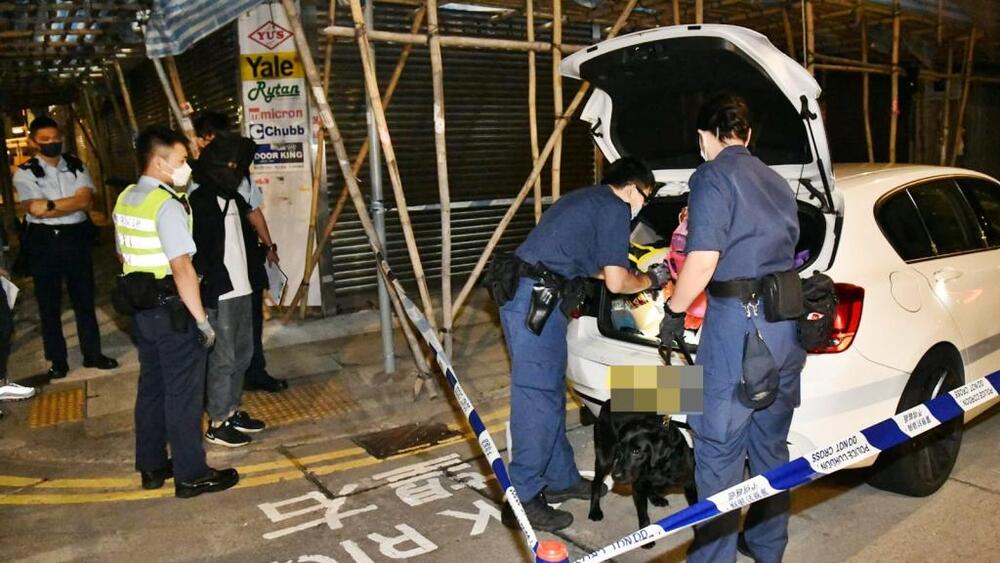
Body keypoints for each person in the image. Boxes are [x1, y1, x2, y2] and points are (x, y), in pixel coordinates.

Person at [658, 94, 805, 563]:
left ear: (705, 136)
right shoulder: (777, 181)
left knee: (718, 451)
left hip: (737, 333)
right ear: (748, 135)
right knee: (769, 447)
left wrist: (674, 312)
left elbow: (702, 262)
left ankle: (713, 559)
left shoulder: (712, 176)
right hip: (784, 327)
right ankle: (766, 548)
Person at [494, 157, 672, 532]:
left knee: (548, 393)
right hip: (535, 303)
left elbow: (590, 266)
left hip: (539, 301)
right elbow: (615, 283)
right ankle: (522, 498)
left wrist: (632, 276)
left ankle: (560, 479)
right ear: (631, 187)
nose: (642, 205)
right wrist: (651, 280)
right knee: (536, 399)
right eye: (645, 196)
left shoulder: (588, 201)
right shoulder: (613, 207)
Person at [113, 126, 238, 498]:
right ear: (159, 162)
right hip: (173, 312)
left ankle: (152, 466)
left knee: (151, 388)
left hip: (143, 310)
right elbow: (182, 267)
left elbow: (122, 255)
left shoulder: (127, 198)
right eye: (181, 161)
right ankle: (191, 474)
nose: (186, 167)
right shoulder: (166, 204)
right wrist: (202, 321)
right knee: (183, 396)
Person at [12, 116, 118, 379]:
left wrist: (50, 205)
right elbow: (33, 208)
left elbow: (85, 201)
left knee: (84, 299)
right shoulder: (25, 172)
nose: (52, 144)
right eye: (45, 140)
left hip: (75, 238)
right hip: (43, 241)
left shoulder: (76, 165)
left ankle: (93, 354)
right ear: (33, 141)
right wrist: (66, 203)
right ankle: (57, 360)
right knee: (49, 304)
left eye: (55, 139)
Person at [193, 112, 287, 393]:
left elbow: (254, 211)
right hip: (215, 262)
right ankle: (217, 390)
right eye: (214, 139)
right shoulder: (192, 179)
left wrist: (269, 246)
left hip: (245, 256)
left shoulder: (239, 173)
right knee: (219, 331)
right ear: (201, 140)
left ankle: (254, 371)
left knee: (251, 322)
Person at [189, 134, 267, 448]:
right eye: (231, 165)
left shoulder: (235, 198)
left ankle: (231, 409)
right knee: (223, 357)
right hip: (219, 291)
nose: (236, 171)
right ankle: (218, 420)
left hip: (243, 288)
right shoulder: (199, 201)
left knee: (243, 353)